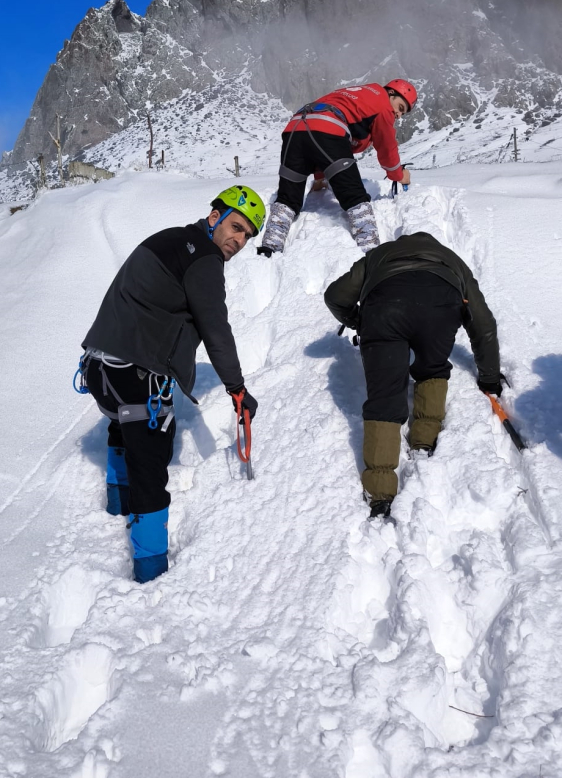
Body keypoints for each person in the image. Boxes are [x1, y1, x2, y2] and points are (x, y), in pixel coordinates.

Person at [77, 185, 265, 583]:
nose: (239, 240)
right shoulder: (205, 259)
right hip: (134, 374)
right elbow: (216, 329)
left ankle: (117, 506)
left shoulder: (172, 239)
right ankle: (151, 571)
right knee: (151, 464)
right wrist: (236, 388)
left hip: (98, 367)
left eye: (247, 234)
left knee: (122, 426)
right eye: (236, 226)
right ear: (214, 216)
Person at [324, 231, 502, 519]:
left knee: (385, 395)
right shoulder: (453, 260)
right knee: (431, 368)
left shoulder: (379, 255)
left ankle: (380, 492)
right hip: (440, 307)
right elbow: (484, 324)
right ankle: (424, 441)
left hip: (384, 309)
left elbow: (335, 295)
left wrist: (359, 321)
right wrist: (489, 377)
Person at [257, 79, 417, 257]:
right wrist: (398, 174)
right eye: (400, 108)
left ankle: (269, 250)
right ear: (391, 93)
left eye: (403, 113)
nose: (398, 115)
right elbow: (387, 148)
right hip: (328, 127)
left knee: (287, 199)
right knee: (355, 196)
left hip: (295, 129)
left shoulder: (359, 94)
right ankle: (372, 254)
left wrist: (320, 176)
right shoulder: (382, 104)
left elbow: (317, 142)